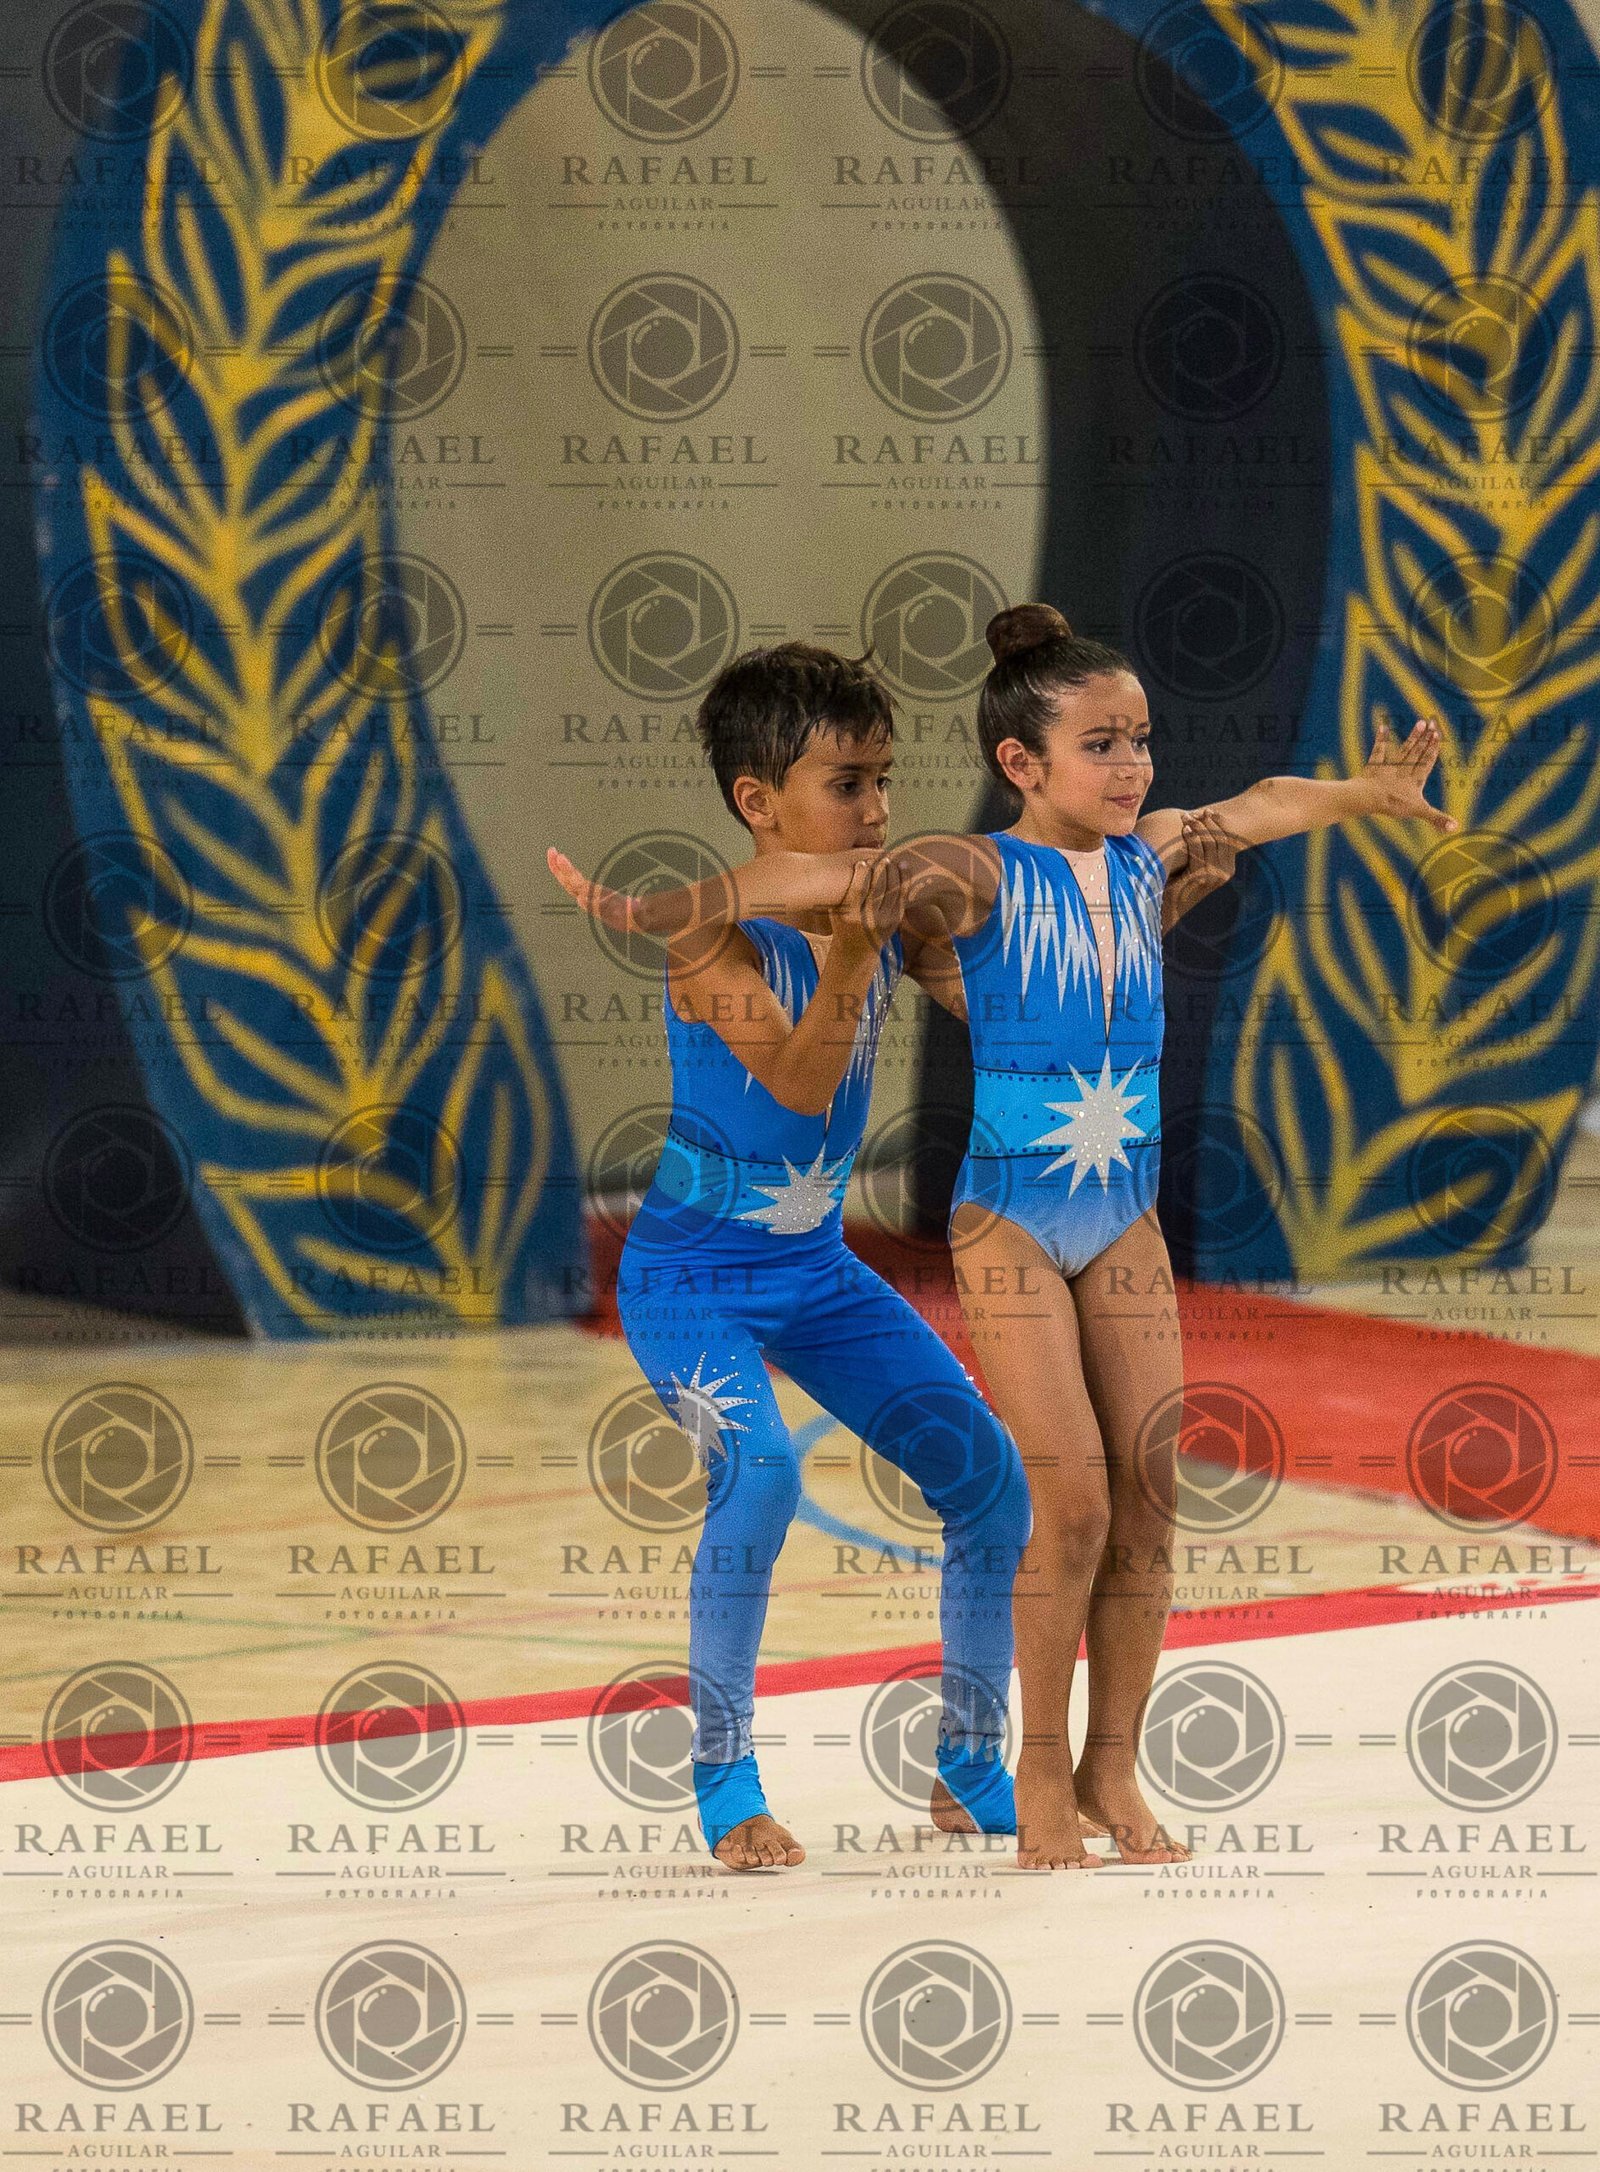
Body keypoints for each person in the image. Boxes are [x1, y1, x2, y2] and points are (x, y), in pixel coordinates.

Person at [551, 605, 1454, 1870]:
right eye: (846, 786)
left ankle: (970, 1762)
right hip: (691, 1279)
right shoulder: (718, 939)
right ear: (757, 799)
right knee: (759, 1478)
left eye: (883, 782)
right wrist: (680, 913)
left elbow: (1074, 953)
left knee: (990, 1485)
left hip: (814, 1269)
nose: (876, 810)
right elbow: (802, 1082)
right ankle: (725, 1782)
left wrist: (1292, 831)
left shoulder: (908, 900)